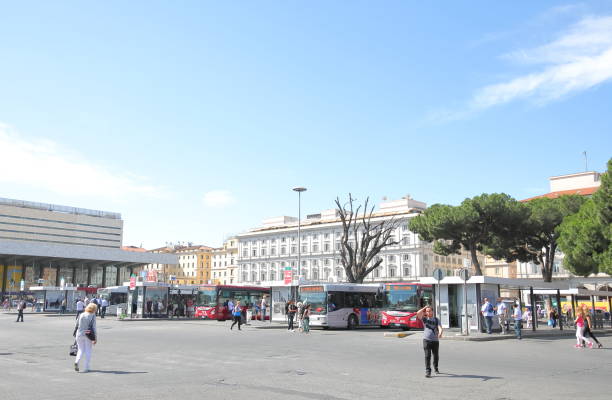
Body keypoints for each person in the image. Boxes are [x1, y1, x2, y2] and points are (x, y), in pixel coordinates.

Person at [416, 305, 443, 378]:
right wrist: (424, 308)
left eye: (429, 311)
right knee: (427, 356)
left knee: (436, 356)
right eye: (427, 311)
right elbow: (418, 313)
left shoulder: (436, 320)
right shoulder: (424, 319)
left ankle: (436, 367)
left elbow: (440, 328)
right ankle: (428, 371)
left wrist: (440, 333)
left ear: (432, 311)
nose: (428, 312)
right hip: (426, 340)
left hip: (435, 341)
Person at [73, 303, 97, 373]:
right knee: (88, 351)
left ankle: (77, 361)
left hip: (79, 334)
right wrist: (95, 338)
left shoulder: (81, 314)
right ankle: (86, 367)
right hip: (88, 334)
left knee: (80, 349)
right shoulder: (92, 316)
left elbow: (76, 324)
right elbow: (94, 327)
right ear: (94, 309)